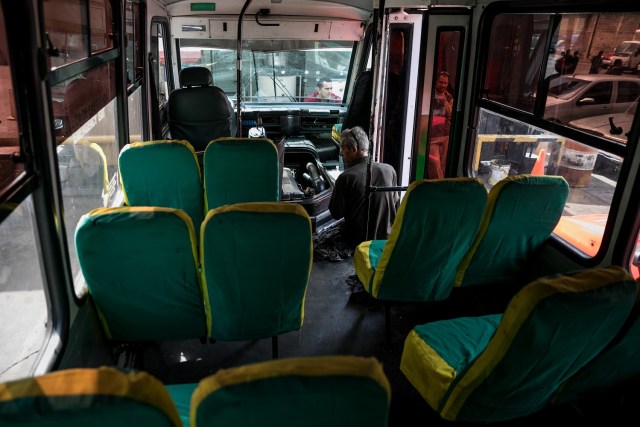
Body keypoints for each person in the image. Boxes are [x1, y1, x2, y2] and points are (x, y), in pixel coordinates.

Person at [329, 126, 399, 249]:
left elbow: (336, 214)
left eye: (343, 148)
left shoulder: (346, 178)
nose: (341, 153)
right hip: (386, 241)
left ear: (354, 149)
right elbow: (396, 204)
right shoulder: (389, 170)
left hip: (358, 245)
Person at [428, 71, 454, 179]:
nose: (443, 85)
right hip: (432, 136)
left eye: (445, 83)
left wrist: (445, 103)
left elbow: (451, 115)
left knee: (443, 166)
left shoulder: (448, 97)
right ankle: (439, 186)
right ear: (435, 82)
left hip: (445, 135)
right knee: (435, 164)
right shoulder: (428, 94)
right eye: (440, 82)